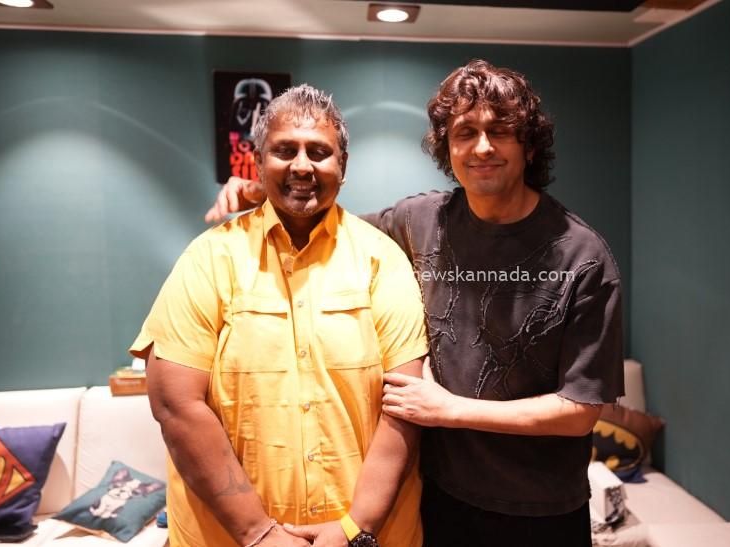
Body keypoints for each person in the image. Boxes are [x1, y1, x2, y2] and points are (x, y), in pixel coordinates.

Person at [206, 60, 624, 547]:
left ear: (528, 146)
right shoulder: (421, 221)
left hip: (542, 512)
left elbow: (580, 411)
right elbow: (331, 220)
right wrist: (264, 189)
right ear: (447, 148)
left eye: (499, 131)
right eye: (465, 132)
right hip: (441, 499)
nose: (482, 147)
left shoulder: (582, 256)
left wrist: (450, 410)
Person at [134, 84, 428, 547]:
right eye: (285, 150)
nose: (302, 166)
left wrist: (354, 528)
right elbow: (176, 405)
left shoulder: (382, 259)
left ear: (343, 166)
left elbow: (406, 406)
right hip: (227, 538)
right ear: (257, 161)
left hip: (367, 537)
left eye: (319, 152)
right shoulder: (209, 258)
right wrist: (258, 533)